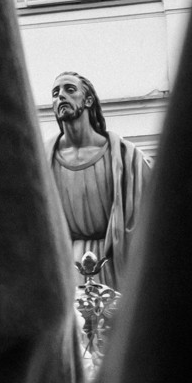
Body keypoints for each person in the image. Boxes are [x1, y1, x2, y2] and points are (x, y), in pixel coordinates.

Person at [47, 73, 149, 291]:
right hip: (65, 270)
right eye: (55, 94)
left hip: (113, 266)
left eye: (69, 89)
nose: (61, 96)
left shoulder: (125, 158)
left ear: (88, 100)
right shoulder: (43, 161)